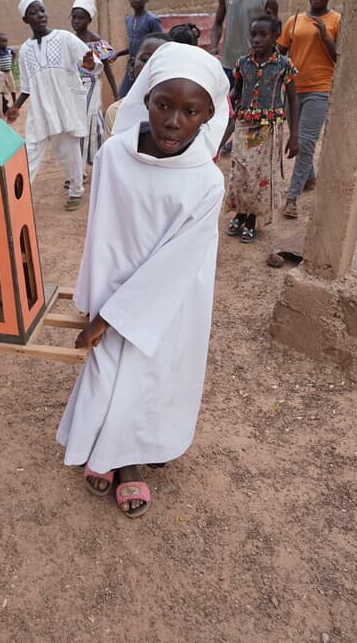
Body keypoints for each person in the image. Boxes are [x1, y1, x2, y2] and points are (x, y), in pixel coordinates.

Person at [58, 43, 228, 519]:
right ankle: (102, 444)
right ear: (145, 99)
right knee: (108, 368)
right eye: (163, 105)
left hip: (167, 301)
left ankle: (129, 462)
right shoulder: (114, 154)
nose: (174, 121)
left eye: (190, 111)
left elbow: (177, 264)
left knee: (150, 374)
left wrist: (114, 315)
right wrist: (97, 300)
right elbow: (102, 231)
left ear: (208, 115)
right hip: (114, 286)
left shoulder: (206, 182)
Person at [6, 0, 96, 211]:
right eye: (33, 13)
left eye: (42, 10)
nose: (40, 15)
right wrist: (16, 107)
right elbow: (27, 86)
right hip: (40, 111)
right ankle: (17, 198)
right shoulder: (26, 50)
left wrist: (89, 63)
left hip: (64, 107)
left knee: (70, 153)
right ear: (26, 20)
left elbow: (90, 62)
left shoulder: (64, 38)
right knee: (29, 153)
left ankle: (76, 190)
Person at [226, 15, 299, 244]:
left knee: (259, 177)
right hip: (244, 125)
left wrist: (294, 135)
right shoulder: (242, 63)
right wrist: (221, 107)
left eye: (262, 35)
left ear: (276, 36)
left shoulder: (284, 65)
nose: (256, 40)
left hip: (268, 128)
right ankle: (239, 212)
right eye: (253, 34)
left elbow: (293, 99)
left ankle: (250, 220)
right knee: (240, 172)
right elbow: (235, 93)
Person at [277, 0, 341, 219]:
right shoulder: (294, 20)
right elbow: (280, 51)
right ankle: (310, 179)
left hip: (320, 89)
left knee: (303, 143)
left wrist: (326, 36)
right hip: (293, 90)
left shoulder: (336, 20)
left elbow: (339, 57)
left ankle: (291, 198)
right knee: (301, 141)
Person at [70, 0, 118, 164]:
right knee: (76, 125)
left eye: (81, 18)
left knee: (92, 122)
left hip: (91, 87)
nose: (76, 21)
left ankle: (99, 158)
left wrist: (115, 92)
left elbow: (107, 68)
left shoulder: (96, 42)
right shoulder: (70, 40)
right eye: (74, 17)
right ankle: (80, 165)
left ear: (89, 19)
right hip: (74, 88)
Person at [103, 31, 167, 136]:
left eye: (160, 61)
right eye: (145, 60)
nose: (150, 67)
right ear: (132, 66)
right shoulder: (116, 112)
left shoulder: (181, 113)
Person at [113, 0, 163, 97]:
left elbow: (162, 44)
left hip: (146, 67)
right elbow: (135, 46)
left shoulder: (152, 20)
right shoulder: (129, 20)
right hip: (132, 66)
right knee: (123, 97)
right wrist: (118, 54)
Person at [0, 32, 19, 114]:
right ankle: (1, 108)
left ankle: (15, 103)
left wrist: (12, 62)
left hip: (9, 72)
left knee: (13, 87)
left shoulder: (9, 50)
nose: (5, 43)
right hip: (1, 73)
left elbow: (14, 54)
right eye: (2, 41)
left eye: (6, 41)